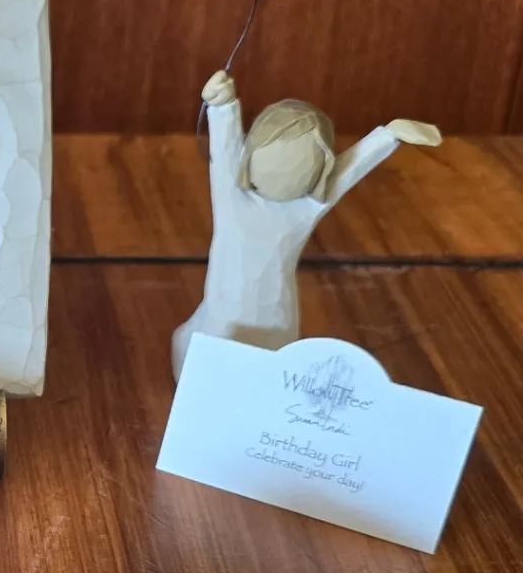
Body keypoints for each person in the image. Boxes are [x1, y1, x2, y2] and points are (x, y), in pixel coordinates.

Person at [172, 68, 442, 378]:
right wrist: (223, 106)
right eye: (276, 158)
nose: (286, 172)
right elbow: (224, 152)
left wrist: (390, 135)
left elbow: (347, 171)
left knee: (275, 364)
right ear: (250, 154)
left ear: (320, 172)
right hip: (225, 310)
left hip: (278, 314)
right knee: (210, 360)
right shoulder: (234, 199)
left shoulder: (305, 207)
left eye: (302, 167)